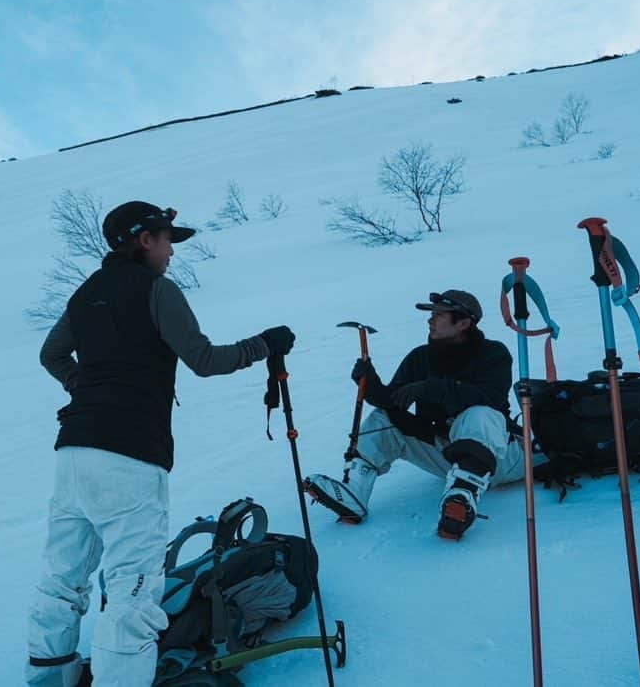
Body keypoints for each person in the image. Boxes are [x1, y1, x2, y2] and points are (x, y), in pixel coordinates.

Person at [26, 200, 295, 686]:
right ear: (144, 239)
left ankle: (50, 675)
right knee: (132, 589)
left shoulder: (85, 295)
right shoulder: (157, 289)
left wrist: (84, 389)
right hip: (129, 456)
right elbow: (204, 358)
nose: (172, 251)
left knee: (64, 576)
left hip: (73, 452)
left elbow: (51, 354)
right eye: (168, 239)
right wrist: (264, 344)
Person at [304, 290, 524, 540]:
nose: (430, 320)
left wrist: (430, 387)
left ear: (463, 323)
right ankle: (354, 491)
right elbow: (393, 402)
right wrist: (370, 383)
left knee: (480, 415)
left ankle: (462, 499)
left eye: (438, 315)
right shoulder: (420, 358)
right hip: (450, 456)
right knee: (384, 421)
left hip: (500, 456)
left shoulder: (493, 353)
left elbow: (488, 398)